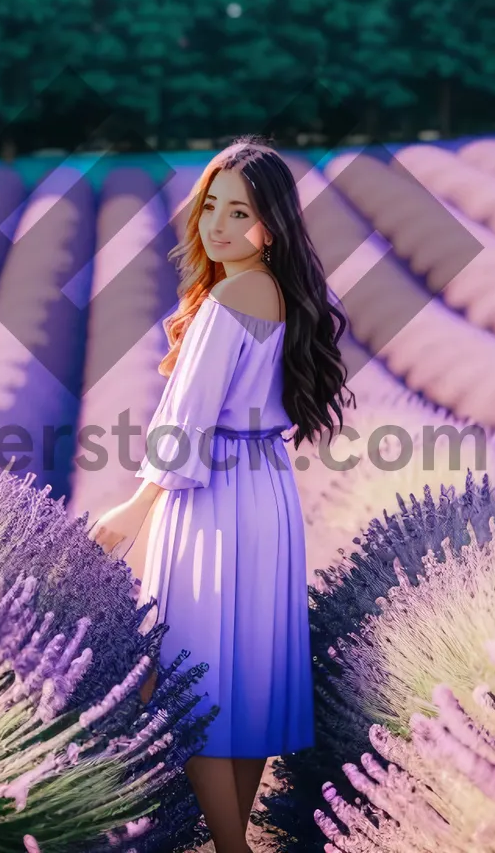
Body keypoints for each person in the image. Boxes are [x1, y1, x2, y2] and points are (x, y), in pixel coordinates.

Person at [88, 136, 355, 853]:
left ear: (273, 223)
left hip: (210, 496)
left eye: (242, 211)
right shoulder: (279, 291)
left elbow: (187, 418)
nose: (220, 225)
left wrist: (137, 505)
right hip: (264, 490)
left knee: (196, 674)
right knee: (249, 670)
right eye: (211, 206)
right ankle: (233, 842)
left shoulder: (232, 295)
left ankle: (229, 847)